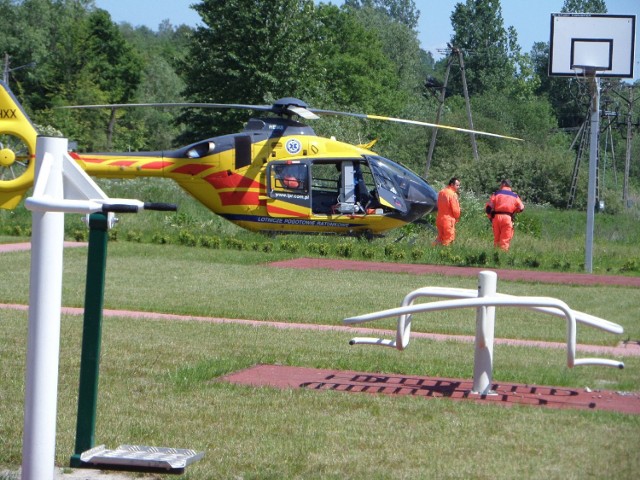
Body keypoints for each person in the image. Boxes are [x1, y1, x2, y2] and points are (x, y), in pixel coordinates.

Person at [485, 179, 525, 251]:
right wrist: (514, 210)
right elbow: (521, 208)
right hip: (507, 218)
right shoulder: (515, 196)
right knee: (505, 240)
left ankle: (495, 256)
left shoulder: (496, 193)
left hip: (496, 218)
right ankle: (502, 258)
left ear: (503, 184)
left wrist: (490, 218)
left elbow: (488, 208)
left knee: (497, 239)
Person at [433, 177, 461, 246]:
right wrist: (457, 217)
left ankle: (433, 250)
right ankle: (445, 253)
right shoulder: (452, 194)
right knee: (449, 238)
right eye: (457, 185)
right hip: (448, 220)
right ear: (452, 184)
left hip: (439, 218)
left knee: (440, 237)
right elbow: (455, 210)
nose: (458, 187)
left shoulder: (441, 192)